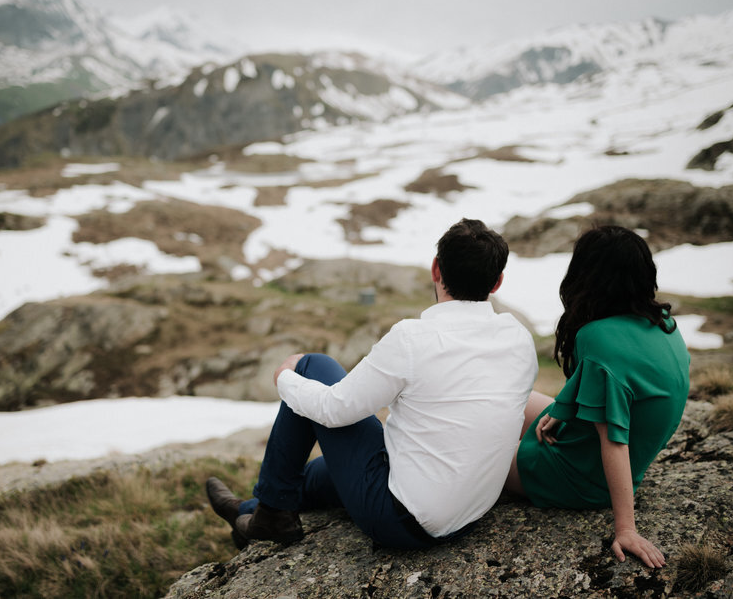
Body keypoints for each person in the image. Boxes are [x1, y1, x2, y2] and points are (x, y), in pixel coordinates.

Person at [206, 218, 538, 550]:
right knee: (321, 472)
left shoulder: (413, 338)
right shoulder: (519, 340)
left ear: (436, 269)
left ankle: (271, 514)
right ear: (497, 282)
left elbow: (334, 410)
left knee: (313, 366)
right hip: (468, 515)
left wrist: (286, 378)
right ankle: (251, 511)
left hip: (403, 521)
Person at [503, 225, 690, 568]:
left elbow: (614, 440)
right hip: (590, 448)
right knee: (507, 397)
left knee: (479, 452)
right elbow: (614, 383)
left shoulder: (597, 337)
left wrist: (626, 529)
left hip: (583, 478)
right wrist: (563, 409)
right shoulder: (664, 323)